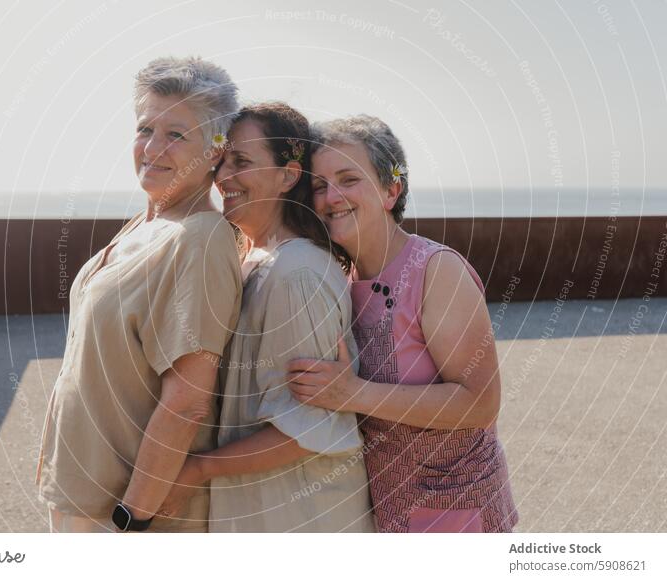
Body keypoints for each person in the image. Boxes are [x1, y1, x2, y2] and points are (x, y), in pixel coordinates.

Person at [36, 56, 242, 533]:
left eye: (176, 134)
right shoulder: (144, 223)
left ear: (215, 151)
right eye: (144, 128)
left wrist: (133, 517)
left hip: (121, 513)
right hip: (80, 492)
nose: (152, 147)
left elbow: (187, 401)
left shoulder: (199, 239)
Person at [286, 115, 518, 533]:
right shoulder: (339, 281)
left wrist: (353, 394)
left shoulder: (436, 272)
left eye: (347, 178)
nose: (331, 196)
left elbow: (481, 404)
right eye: (319, 186)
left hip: (457, 517)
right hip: (387, 515)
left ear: (391, 190)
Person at [157, 103, 374, 532]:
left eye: (241, 162)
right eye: (221, 162)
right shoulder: (253, 259)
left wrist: (196, 470)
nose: (222, 178)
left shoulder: (297, 275)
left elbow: (305, 430)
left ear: (288, 175)